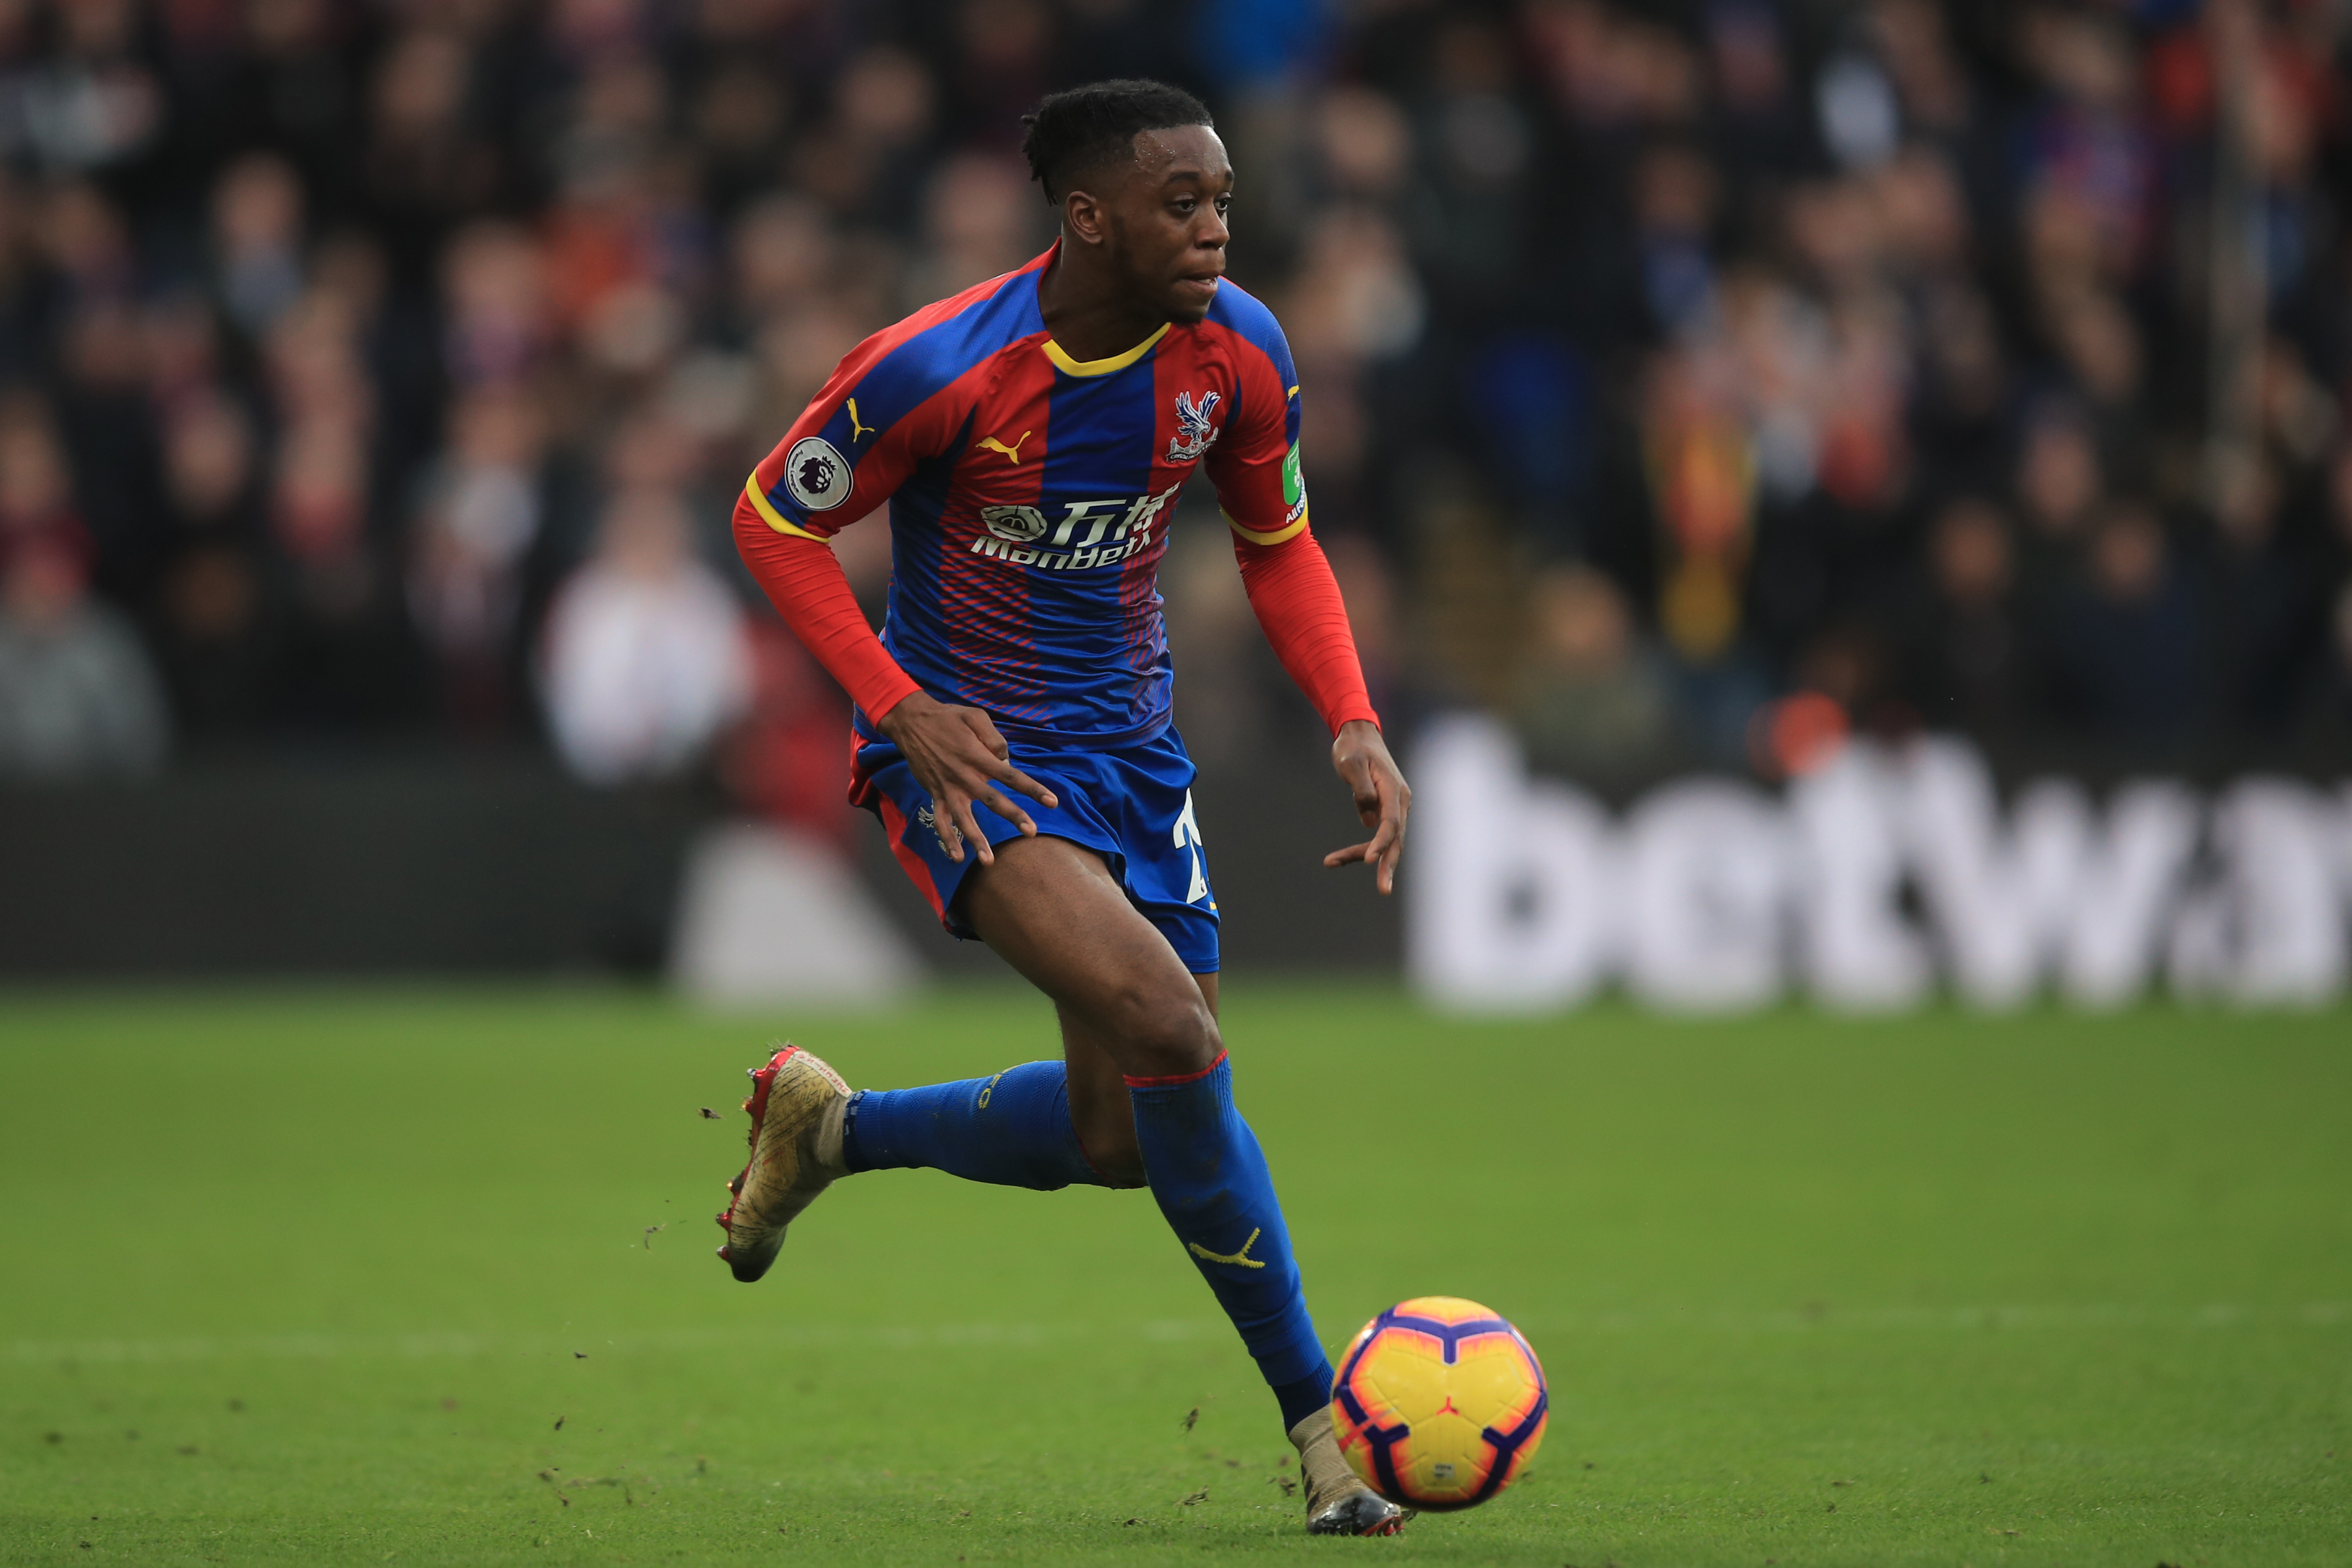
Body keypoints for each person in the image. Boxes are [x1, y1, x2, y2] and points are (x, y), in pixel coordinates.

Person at [719, 80, 1410, 1537]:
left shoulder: (1241, 351)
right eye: (1183, 202)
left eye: (1222, 197)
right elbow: (774, 518)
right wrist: (894, 702)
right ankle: (1321, 1435)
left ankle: (831, 1132)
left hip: (1134, 760)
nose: (1217, 225)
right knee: (1178, 1035)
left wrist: (1350, 718)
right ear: (1088, 216)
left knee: (1121, 1137)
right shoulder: (937, 367)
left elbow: (1277, 544)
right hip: (971, 762)